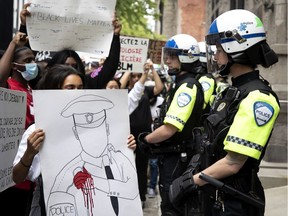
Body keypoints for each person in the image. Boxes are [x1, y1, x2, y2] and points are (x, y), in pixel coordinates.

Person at [169, 9, 280, 216]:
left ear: (236, 47)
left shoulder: (258, 98)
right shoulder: (232, 91)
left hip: (234, 201)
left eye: (219, 49)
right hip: (214, 194)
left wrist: (189, 183)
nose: (216, 55)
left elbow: (233, 162)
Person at [12, 64, 137, 216]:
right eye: (70, 88)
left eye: (80, 87)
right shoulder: (37, 131)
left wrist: (126, 146)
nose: (77, 92)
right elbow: (18, 177)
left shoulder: (114, 155)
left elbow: (130, 190)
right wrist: (29, 153)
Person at [138, 34, 205, 215]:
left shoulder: (187, 87)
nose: (167, 60)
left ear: (186, 57)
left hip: (177, 158)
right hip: (173, 156)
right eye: (167, 55)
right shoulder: (180, 84)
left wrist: (145, 140)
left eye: (172, 56)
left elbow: (169, 129)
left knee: (172, 207)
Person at [20, 3, 122, 90]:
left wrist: (115, 36)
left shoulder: (87, 83)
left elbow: (109, 68)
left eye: (74, 66)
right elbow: (24, 55)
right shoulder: (43, 83)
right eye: (66, 65)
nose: (70, 70)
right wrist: (25, 26)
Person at [0, 31, 39, 216]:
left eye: (34, 59)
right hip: (11, 174)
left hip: (29, 170)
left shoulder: (31, 89)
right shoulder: (8, 86)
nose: (34, 64)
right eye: (28, 60)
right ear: (15, 65)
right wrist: (13, 43)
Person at [121, 59, 164, 208]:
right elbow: (120, 84)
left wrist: (152, 70)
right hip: (127, 135)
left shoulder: (145, 90)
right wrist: (130, 66)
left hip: (143, 136)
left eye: (138, 76)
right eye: (133, 76)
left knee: (141, 167)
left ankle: (141, 196)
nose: (136, 78)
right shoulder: (124, 93)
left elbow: (159, 87)